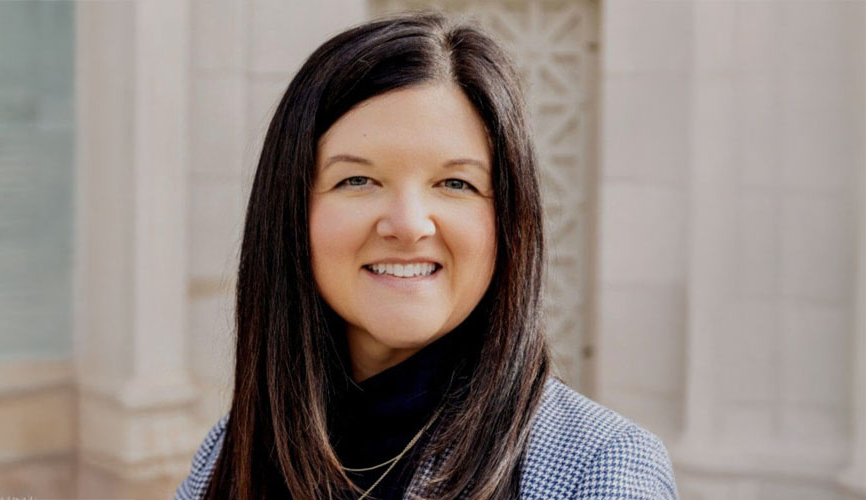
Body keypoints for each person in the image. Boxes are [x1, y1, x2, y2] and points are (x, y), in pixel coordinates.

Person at [174, 11, 678, 500]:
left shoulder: (598, 469)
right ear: (290, 210)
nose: (409, 225)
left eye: (455, 183)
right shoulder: (233, 451)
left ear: (509, 219)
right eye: (357, 180)